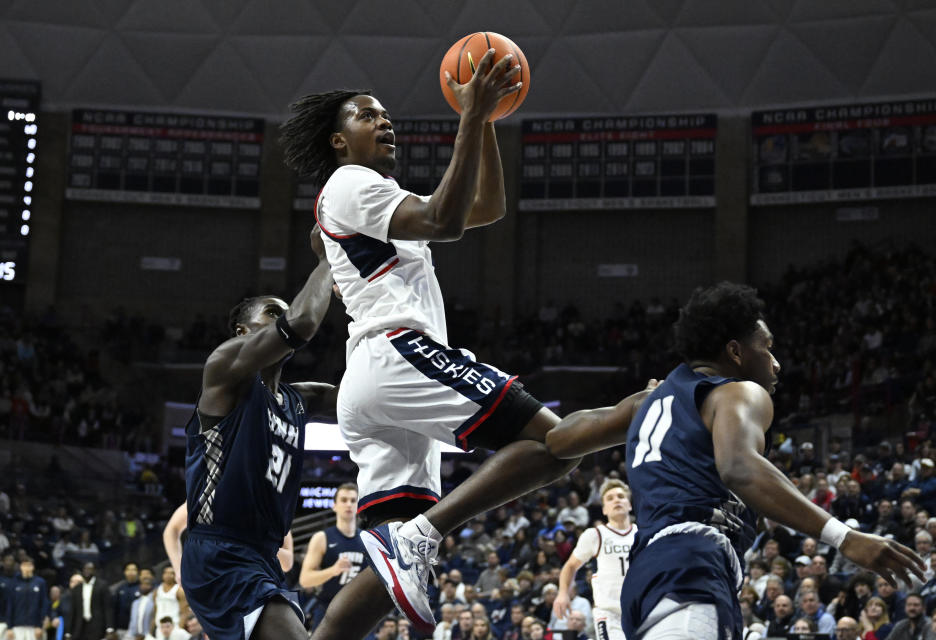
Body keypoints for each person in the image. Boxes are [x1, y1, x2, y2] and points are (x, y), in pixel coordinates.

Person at [282, 51, 581, 638]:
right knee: (558, 443)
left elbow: (484, 208)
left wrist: (487, 120)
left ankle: (413, 538)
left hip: (377, 377)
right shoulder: (349, 182)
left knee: (382, 579)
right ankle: (422, 533)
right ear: (338, 141)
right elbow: (445, 219)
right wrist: (469, 116)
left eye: (386, 114)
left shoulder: (370, 195)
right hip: (397, 354)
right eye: (368, 116)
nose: (385, 121)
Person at [541, 282, 926, 639]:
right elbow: (739, 468)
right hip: (692, 562)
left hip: (648, 574)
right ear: (735, 352)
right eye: (767, 347)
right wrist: (845, 538)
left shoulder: (649, 402)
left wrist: (631, 405)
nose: (775, 364)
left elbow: (560, 438)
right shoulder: (739, 393)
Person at [179, 227, 336, 640]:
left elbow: (360, 399)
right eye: (271, 311)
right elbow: (300, 322)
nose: (281, 316)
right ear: (243, 332)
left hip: (263, 557)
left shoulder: (299, 400)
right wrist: (329, 255)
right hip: (220, 552)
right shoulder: (225, 370)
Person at [553, 478, 635, 640]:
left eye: (620, 496)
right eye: (610, 498)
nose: (616, 500)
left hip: (642, 609)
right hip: (610, 613)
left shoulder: (643, 534)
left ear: (630, 504)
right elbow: (570, 566)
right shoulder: (595, 535)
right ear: (604, 509)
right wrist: (562, 593)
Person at [163, 502, 295, 586]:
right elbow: (171, 530)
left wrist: (254, 540)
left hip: (257, 586)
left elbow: (287, 563)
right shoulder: (214, 491)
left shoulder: (272, 505)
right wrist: (179, 568)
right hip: (216, 584)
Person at [298, 483, 363, 628]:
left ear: (358, 506)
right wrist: (333, 570)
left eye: (353, 501)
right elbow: (305, 579)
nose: (349, 504)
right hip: (328, 611)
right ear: (334, 506)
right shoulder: (321, 538)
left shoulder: (367, 538)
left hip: (360, 613)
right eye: (344, 500)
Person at [0, 559, 48, 640]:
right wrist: (9, 627)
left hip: (34, 626)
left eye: (29, 565)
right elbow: (10, 605)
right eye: (24, 565)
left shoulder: (40, 582)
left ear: (33, 567)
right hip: (17, 625)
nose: (27, 568)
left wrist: (40, 625)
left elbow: (44, 603)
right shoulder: (14, 582)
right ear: (21, 567)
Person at [66, 563, 113, 640]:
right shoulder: (77, 588)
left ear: (94, 571)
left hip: (97, 625)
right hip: (80, 626)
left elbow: (107, 608)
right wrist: (68, 632)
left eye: (90, 569)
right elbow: (73, 611)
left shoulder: (102, 585)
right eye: (85, 569)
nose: (87, 571)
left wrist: (109, 628)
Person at [113, 563, 142, 632]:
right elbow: (115, 609)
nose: (131, 572)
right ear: (124, 572)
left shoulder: (142, 588)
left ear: (138, 572)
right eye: (128, 570)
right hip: (121, 628)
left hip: (137, 628)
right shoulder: (120, 588)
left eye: (133, 570)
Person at [124, 576, 154, 640]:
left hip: (148, 635)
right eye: (142, 584)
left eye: (147, 584)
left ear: (151, 586)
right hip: (133, 635)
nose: (144, 586)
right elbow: (132, 620)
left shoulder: (154, 601)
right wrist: (130, 633)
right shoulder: (135, 603)